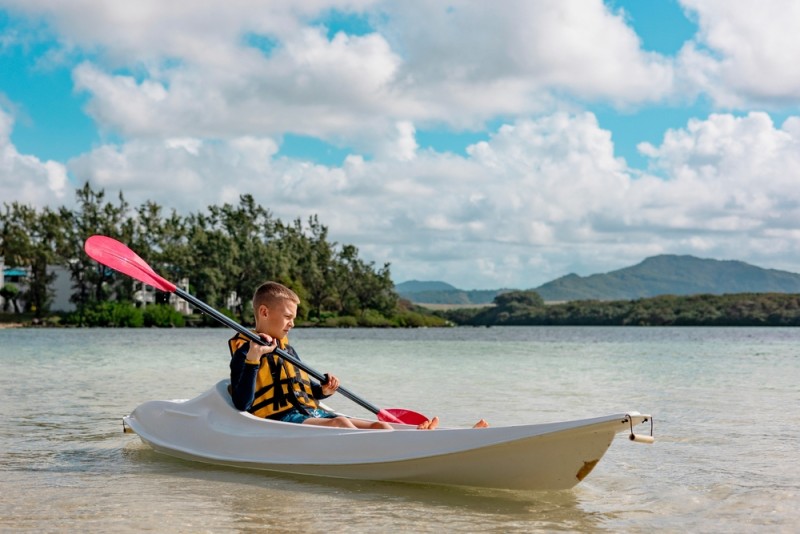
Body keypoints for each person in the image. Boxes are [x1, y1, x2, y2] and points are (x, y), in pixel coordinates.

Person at [230, 281, 481, 430]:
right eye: (287, 317)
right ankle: (403, 449)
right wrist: (253, 358)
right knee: (340, 423)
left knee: (381, 426)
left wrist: (323, 391)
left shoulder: (286, 349)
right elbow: (243, 403)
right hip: (280, 421)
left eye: (294, 318)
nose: (292, 324)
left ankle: (424, 439)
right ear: (264, 312)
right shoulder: (245, 351)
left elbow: (299, 391)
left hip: (308, 414)